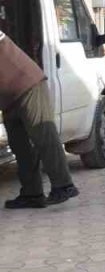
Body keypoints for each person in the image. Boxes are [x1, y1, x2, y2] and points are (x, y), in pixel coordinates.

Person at [0, 30, 78, 209]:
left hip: (28, 85)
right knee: (20, 146)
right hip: (8, 96)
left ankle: (64, 186)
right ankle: (32, 194)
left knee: (43, 136)